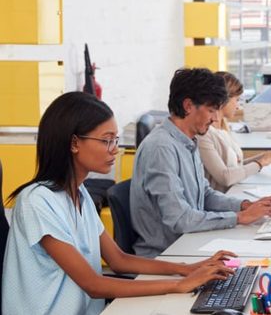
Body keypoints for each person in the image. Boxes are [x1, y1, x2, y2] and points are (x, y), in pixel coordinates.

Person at [2, 92, 235, 314]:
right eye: (106, 141)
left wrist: (186, 269)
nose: (115, 149)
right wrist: (179, 284)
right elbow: (93, 284)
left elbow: (118, 260)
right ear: (74, 143)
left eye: (115, 139)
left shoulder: (79, 193)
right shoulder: (37, 202)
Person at [130, 68, 271, 258]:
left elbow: (204, 195)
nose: (215, 118)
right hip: (166, 255)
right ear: (188, 106)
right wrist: (238, 218)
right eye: (211, 110)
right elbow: (179, 218)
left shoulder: (188, 141)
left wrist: (244, 205)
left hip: (188, 243)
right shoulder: (161, 148)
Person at [198, 71, 271, 192]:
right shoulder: (204, 134)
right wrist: (261, 162)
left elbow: (236, 167)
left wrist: (267, 156)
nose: (238, 105)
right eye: (237, 99)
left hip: (234, 191)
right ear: (223, 100)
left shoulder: (224, 127)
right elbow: (225, 177)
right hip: (222, 198)